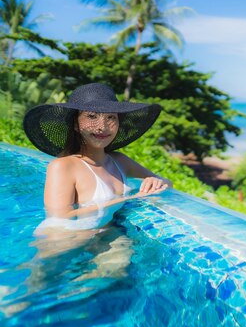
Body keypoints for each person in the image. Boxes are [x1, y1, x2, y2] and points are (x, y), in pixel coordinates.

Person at [23, 82, 173, 232]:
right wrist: (131, 198)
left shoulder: (120, 161)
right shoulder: (63, 166)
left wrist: (156, 182)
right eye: (92, 116)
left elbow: (168, 183)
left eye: (111, 117)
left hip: (108, 238)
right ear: (75, 123)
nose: (102, 126)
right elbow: (59, 218)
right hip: (66, 243)